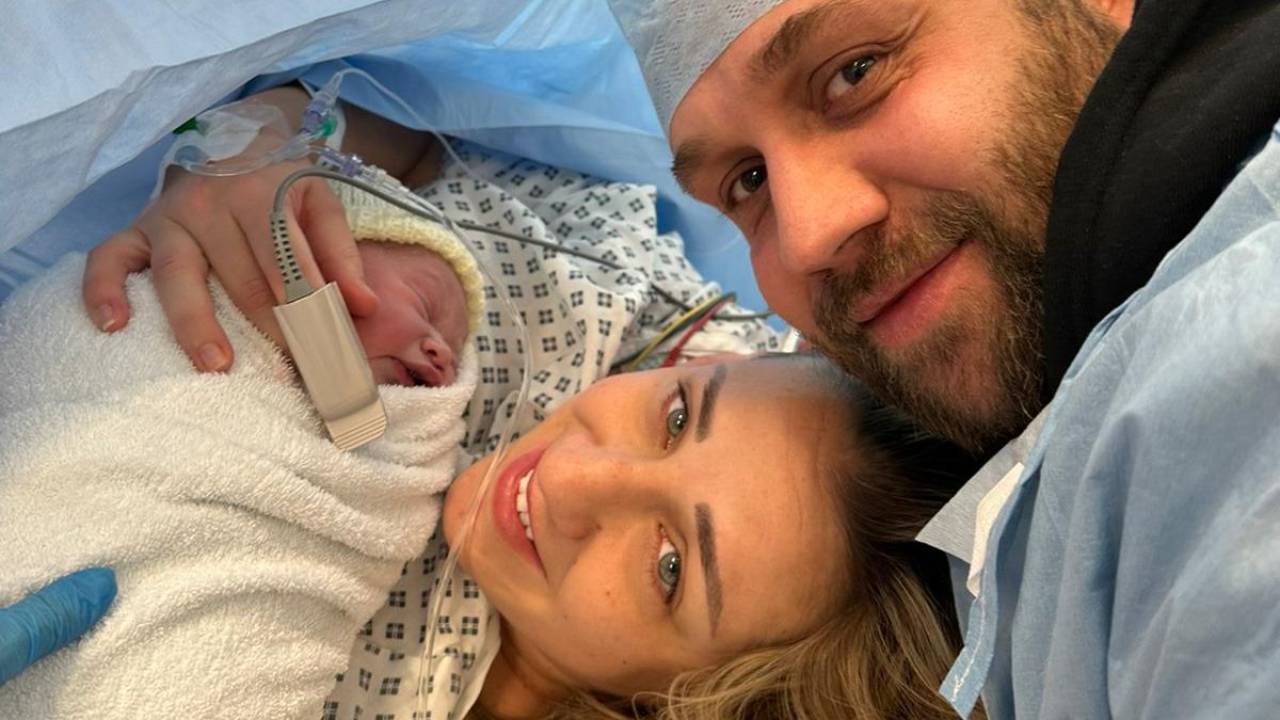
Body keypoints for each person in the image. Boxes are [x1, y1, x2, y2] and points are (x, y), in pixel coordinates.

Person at [74, 0, 1280, 717]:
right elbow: (410, 138)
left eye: (855, 69)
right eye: (742, 182)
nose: (806, 234)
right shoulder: (631, 315)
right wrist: (259, 148)